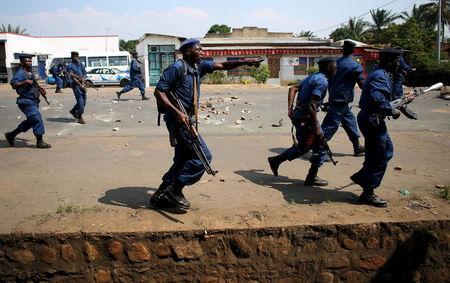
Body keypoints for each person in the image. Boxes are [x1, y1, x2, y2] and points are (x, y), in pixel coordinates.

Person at [150, 38, 262, 210]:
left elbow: (223, 66)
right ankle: (174, 190)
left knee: (182, 159)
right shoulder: (177, 68)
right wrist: (177, 112)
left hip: (188, 118)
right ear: (188, 51)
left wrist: (248, 61)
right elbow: (159, 91)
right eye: (199, 49)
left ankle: (160, 196)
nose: (202, 52)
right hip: (178, 120)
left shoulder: (198, 66)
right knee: (203, 157)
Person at [268, 57, 337, 186]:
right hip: (306, 118)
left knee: (306, 146)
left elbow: (292, 89)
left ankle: (277, 161)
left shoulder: (313, 77)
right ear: (328, 68)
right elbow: (312, 105)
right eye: (335, 67)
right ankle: (311, 176)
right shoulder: (322, 81)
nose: (336, 70)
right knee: (319, 144)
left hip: (299, 115)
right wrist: (317, 127)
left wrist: (290, 109)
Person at [350, 48, 404, 208]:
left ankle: (363, 177)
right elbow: (377, 98)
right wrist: (391, 110)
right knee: (379, 156)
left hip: (373, 120)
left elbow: (389, 96)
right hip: (372, 120)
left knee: (385, 151)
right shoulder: (380, 76)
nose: (398, 64)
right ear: (389, 61)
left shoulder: (382, 74)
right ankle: (368, 192)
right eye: (397, 61)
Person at [321, 40, 365, 157]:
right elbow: (362, 85)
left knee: (350, 122)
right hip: (341, 100)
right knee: (330, 126)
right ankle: (320, 151)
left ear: (342, 50)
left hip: (336, 99)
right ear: (353, 51)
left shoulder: (335, 63)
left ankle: (357, 147)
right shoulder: (355, 66)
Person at [4, 54, 51, 149]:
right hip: (25, 101)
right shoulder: (20, 74)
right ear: (22, 62)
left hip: (33, 101)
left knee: (31, 121)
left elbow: (34, 83)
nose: (29, 62)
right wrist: (25, 82)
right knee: (36, 118)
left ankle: (11, 135)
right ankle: (40, 141)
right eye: (27, 61)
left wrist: (41, 89)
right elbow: (13, 84)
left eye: (30, 61)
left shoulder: (29, 72)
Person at [66, 51, 87, 124]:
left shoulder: (80, 64)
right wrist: (80, 83)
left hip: (82, 85)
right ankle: (80, 117)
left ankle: (73, 111)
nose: (75, 57)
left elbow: (84, 74)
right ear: (71, 57)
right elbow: (72, 75)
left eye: (76, 56)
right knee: (80, 103)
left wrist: (83, 83)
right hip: (75, 86)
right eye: (73, 56)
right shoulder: (70, 66)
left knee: (84, 102)